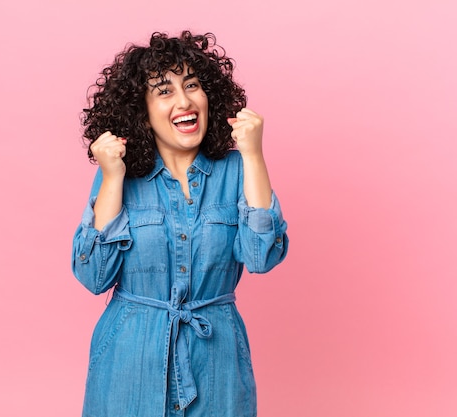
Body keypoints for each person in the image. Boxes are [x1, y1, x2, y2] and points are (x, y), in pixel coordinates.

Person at [72, 30, 288, 417]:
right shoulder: (118, 175)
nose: (185, 101)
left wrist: (253, 156)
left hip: (217, 366)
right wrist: (112, 177)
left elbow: (260, 256)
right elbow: (94, 276)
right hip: (130, 363)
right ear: (142, 111)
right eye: (165, 91)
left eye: (192, 85)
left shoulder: (236, 170)